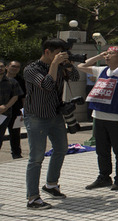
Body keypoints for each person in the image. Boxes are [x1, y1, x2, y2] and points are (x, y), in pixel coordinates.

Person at [22, 38, 80, 209]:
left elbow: (75, 77)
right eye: (58, 53)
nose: (60, 57)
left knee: (61, 149)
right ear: (47, 52)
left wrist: (68, 64)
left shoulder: (61, 66)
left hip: (55, 115)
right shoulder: (31, 69)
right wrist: (55, 65)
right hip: (37, 117)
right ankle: (33, 198)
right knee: (36, 157)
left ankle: (51, 184)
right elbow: (47, 85)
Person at [78, 47, 118, 191]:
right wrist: (98, 56)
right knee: (102, 150)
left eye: (111, 54)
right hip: (98, 116)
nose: (108, 56)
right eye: (107, 54)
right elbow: (81, 66)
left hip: (116, 117)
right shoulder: (101, 70)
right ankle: (104, 177)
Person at [0, 60, 25, 158]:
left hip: (13, 111)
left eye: (17, 67)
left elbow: (20, 96)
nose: (15, 68)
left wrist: (23, 111)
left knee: (15, 133)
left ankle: (16, 153)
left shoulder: (18, 81)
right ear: (7, 67)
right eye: (13, 66)